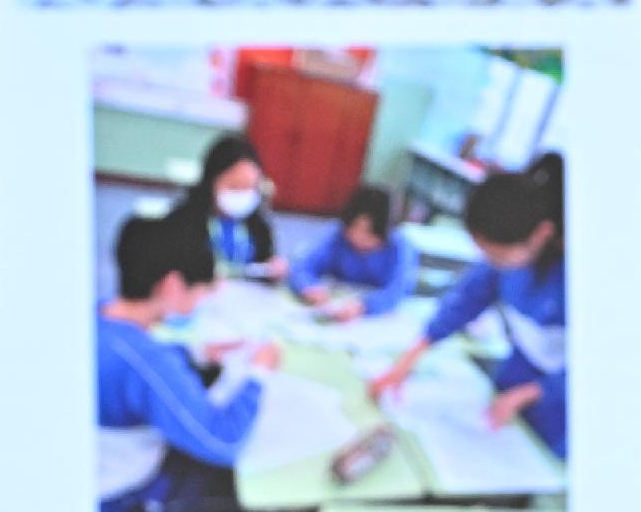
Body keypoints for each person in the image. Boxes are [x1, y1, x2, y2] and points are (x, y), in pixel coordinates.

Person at [367, 149, 565, 456]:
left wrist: (532, 393)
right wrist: (408, 360)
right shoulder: (502, 262)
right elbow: (465, 300)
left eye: (498, 255)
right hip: (518, 368)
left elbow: (603, 364)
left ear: (541, 235)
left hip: (562, 398)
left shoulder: (576, 281)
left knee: (536, 459)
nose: (491, 263)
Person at [98, 212, 275, 512]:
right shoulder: (149, 363)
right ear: (172, 285)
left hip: (89, 458)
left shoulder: (98, 314)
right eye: (202, 291)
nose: (203, 300)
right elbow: (224, 441)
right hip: (120, 493)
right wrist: (259, 375)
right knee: (248, 480)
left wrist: (197, 353)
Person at [292, 180, 412, 315]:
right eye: (354, 228)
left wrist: (364, 306)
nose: (359, 237)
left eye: (369, 233)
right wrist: (309, 287)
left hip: (376, 317)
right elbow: (302, 265)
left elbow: (398, 289)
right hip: (333, 306)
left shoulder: (400, 247)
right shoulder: (336, 234)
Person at [180, 132, 285, 283]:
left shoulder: (259, 226)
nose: (242, 195)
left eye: (250, 187)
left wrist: (274, 271)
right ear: (211, 181)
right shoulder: (186, 219)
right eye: (234, 186)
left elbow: (266, 267)